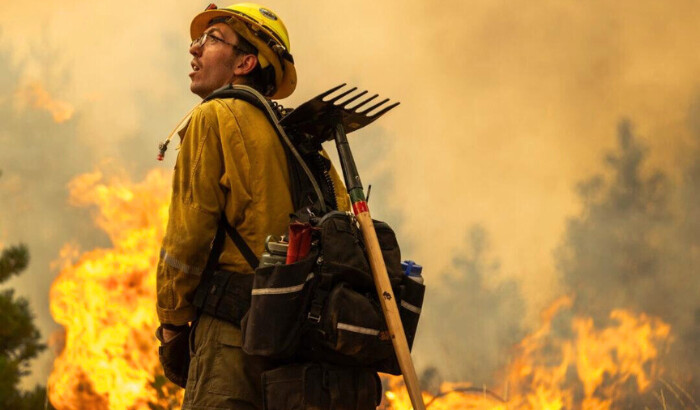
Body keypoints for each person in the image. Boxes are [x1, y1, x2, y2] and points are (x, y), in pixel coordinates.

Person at [155, 3, 349, 409]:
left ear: (245, 62)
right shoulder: (306, 143)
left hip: (232, 340)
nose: (194, 49)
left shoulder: (213, 118)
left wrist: (173, 322)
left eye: (212, 39)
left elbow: (187, 239)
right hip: (303, 347)